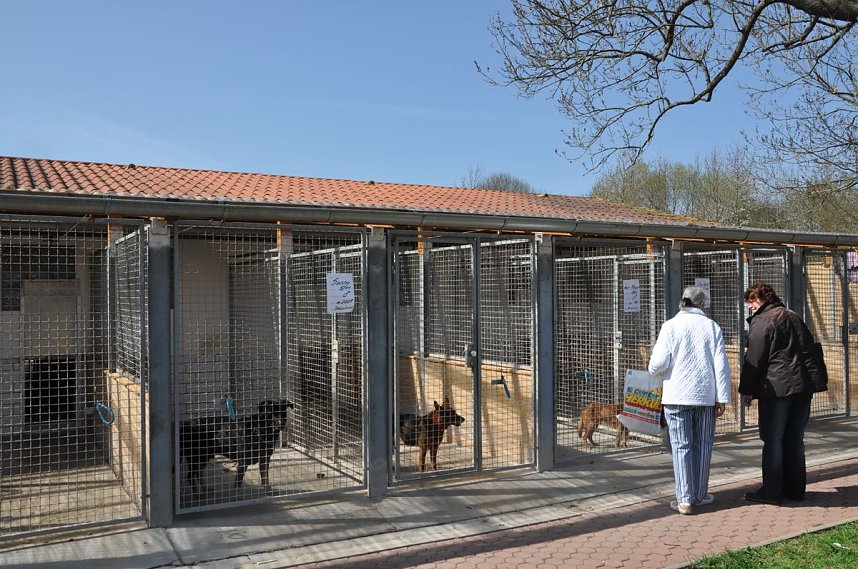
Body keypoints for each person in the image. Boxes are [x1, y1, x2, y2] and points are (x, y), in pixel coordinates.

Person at [739, 281, 827, 505]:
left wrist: (746, 390)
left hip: (777, 389)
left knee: (773, 440)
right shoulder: (794, 316)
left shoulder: (763, 321)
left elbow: (754, 360)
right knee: (795, 439)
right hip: (803, 387)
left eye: (752, 301)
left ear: (763, 299)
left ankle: (772, 491)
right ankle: (795, 490)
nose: (750, 306)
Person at [649, 286, 731, 515]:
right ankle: (700, 494)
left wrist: (654, 371)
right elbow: (721, 366)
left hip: (676, 396)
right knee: (704, 444)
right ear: (702, 304)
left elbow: (658, 363)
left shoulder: (670, 326)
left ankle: (684, 499)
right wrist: (721, 398)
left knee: (681, 445)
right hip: (705, 396)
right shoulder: (712, 327)